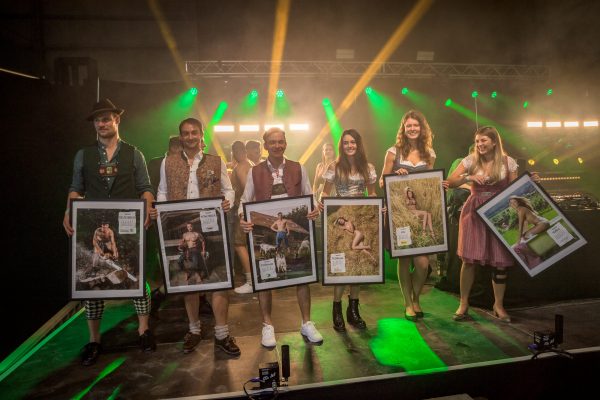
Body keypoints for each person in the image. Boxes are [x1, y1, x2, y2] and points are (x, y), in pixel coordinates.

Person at [62, 98, 156, 366]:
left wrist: (148, 208)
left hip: (128, 225)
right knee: (91, 284)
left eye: (106, 118)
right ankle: (94, 340)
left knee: (136, 277)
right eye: (97, 120)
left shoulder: (134, 153)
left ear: (117, 120)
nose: (101, 124)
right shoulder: (84, 154)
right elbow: (76, 188)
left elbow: (145, 187)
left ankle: (143, 330)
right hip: (95, 223)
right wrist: (68, 211)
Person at [153, 117, 240, 356]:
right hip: (183, 225)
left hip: (212, 227)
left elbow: (229, 190)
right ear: (181, 137)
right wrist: (161, 212)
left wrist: (228, 202)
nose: (190, 137)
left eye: (194, 133)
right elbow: (162, 192)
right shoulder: (168, 162)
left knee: (218, 281)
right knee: (190, 281)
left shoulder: (216, 161)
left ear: (202, 135)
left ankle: (222, 333)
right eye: (186, 133)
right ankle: (194, 330)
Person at [239, 127, 323, 348]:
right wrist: (243, 218)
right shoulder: (255, 171)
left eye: (280, 141)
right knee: (265, 279)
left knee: (302, 276)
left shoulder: (298, 167)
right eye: (272, 142)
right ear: (265, 146)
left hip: (289, 229)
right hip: (269, 231)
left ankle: (306, 323)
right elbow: (244, 201)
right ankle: (267, 325)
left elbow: (309, 196)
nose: (277, 145)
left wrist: (314, 209)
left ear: (285, 143)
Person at [445, 126, 519, 323]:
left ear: (494, 142)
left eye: (483, 140)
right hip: (474, 211)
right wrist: (469, 177)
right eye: (477, 141)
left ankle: (498, 305)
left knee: (500, 261)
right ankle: (463, 303)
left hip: (499, 211)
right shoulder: (470, 160)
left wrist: (531, 183)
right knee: (469, 260)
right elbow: (450, 181)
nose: (479, 144)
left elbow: (515, 189)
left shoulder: (508, 162)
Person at [379, 110, 436, 322]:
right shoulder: (393, 152)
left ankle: (416, 298)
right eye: (409, 125)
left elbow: (429, 183)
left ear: (422, 128)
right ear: (403, 128)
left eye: (416, 125)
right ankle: (408, 304)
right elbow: (382, 181)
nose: (412, 129)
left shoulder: (429, 153)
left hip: (418, 210)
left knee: (422, 264)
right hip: (399, 213)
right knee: (404, 260)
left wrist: (439, 186)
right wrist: (395, 175)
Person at [318, 129, 377, 331]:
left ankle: (353, 311)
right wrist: (323, 205)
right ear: (341, 146)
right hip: (342, 216)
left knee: (357, 262)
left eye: (353, 142)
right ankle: (337, 309)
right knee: (342, 264)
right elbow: (325, 194)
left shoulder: (368, 167)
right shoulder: (334, 167)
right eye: (346, 143)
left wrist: (378, 208)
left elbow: (372, 195)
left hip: (360, 216)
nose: (350, 146)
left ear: (358, 144)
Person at [229, 140, 254, 294]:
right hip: (248, 209)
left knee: (239, 244)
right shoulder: (250, 163)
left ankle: (251, 282)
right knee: (247, 245)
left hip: (243, 210)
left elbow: (247, 190)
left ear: (234, 152)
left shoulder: (241, 167)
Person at [509, 195, 550, 268]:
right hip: (543, 222)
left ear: (518, 202)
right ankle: (534, 256)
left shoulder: (521, 210)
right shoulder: (519, 209)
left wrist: (518, 242)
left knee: (524, 238)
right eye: (511, 203)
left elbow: (520, 227)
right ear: (510, 205)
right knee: (525, 236)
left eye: (515, 202)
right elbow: (525, 224)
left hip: (542, 224)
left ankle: (535, 257)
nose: (513, 204)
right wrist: (523, 235)